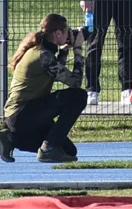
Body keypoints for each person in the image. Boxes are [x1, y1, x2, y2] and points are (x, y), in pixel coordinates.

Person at [1, 15, 87, 163]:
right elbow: (75, 82)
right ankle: (48, 148)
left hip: (22, 115)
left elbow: (55, 72)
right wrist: (78, 50)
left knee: (68, 151)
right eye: (67, 32)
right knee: (78, 96)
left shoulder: (40, 51)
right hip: (23, 114)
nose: (69, 35)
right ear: (58, 33)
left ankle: (9, 138)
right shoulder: (43, 54)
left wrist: (64, 50)